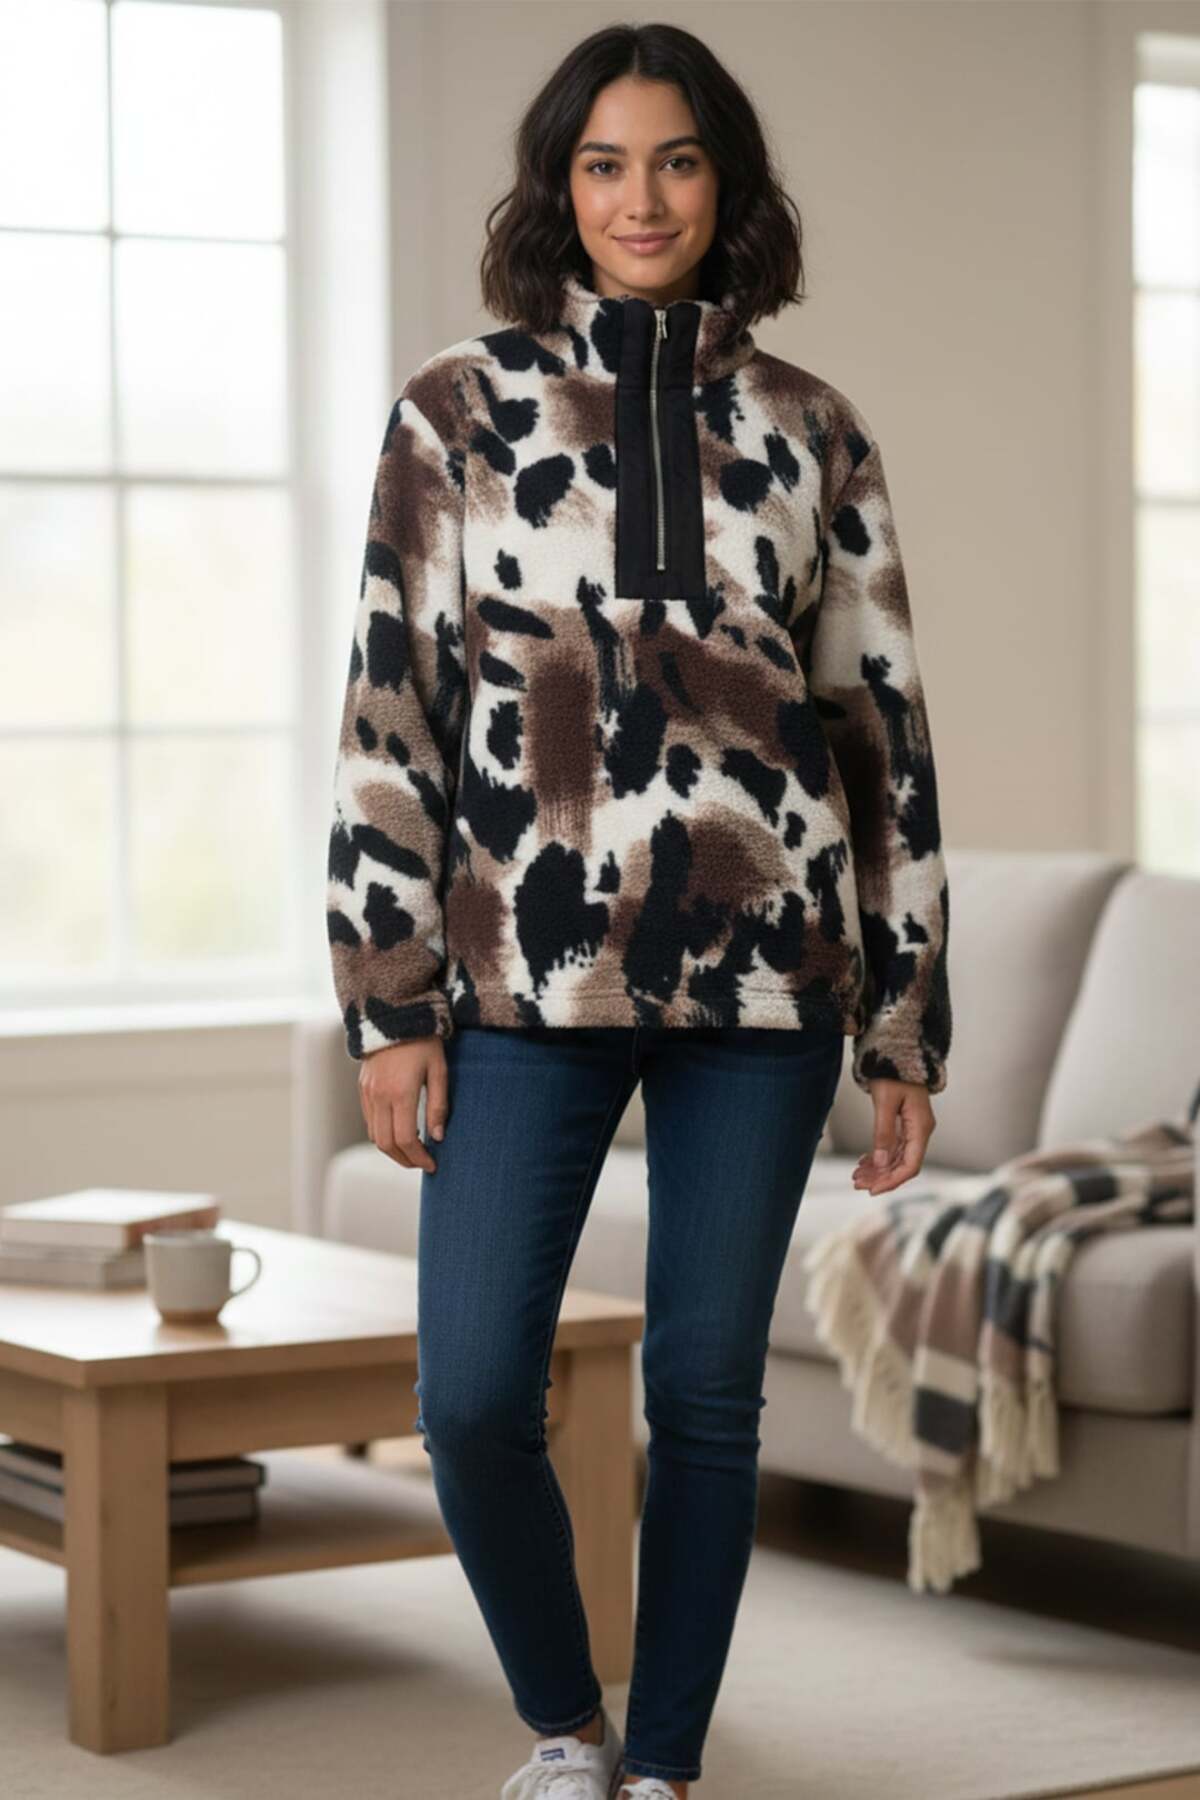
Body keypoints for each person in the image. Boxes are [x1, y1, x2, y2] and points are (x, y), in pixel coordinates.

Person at [326, 19, 952, 1798]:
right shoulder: (456, 414)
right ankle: (569, 1729)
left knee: (705, 1400)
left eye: (676, 161)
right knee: (469, 1399)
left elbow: (882, 733)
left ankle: (662, 1769)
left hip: (771, 988)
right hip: (523, 979)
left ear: (724, 183)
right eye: (604, 164)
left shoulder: (814, 430)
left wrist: (904, 1024)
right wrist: (388, 999)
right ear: (561, 186)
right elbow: (390, 714)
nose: (642, 198)